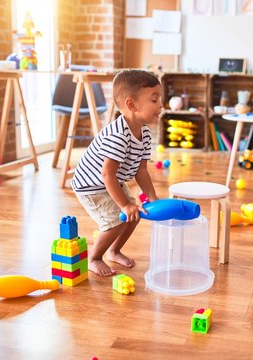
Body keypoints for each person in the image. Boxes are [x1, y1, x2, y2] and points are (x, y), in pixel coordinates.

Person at [72, 70, 162, 276]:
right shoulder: (118, 135)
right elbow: (107, 174)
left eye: (160, 99)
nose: (160, 105)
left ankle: (114, 251)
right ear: (132, 105)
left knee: (134, 215)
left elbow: (141, 169)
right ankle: (94, 258)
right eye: (154, 99)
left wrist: (152, 197)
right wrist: (124, 204)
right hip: (92, 185)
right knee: (117, 220)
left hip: (112, 180)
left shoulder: (145, 132)